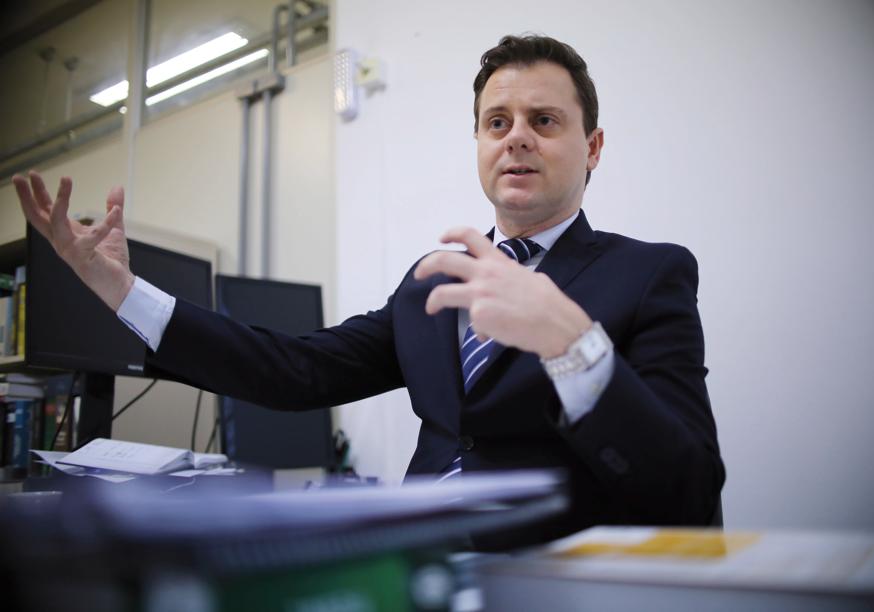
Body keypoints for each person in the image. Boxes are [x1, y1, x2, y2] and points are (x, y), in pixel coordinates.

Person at [14, 35, 724, 545]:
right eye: (496, 123)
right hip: (412, 568)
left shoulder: (650, 273)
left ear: (592, 147)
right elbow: (294, 369)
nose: (516, 138)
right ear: (479, 144)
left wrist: (573, 344)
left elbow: (689, 487)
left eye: (544, 121)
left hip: (553, 582)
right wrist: (124, 292)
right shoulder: (432, 283)